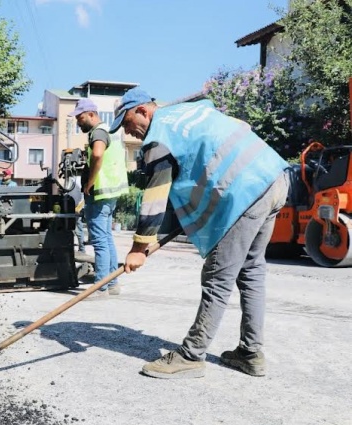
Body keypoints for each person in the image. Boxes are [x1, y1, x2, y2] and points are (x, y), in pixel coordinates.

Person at [113, 87, 289, 379]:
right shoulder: (192, 109)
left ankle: (192, 355)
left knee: (217, 277)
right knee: (251, 270)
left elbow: (156, 194)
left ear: (143, 110)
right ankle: (250, 352)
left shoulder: (158, 138)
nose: (129, 133)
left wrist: (139, 247)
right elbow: (236, 130)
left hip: (244, 191)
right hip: (273, 177)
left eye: (129, 123)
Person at [68, 98, 129, 298]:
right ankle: (112, 284)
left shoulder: (99, 132)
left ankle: (100, 287)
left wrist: (89, 182)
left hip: (101, 192)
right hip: (111, 192)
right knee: (107, 239)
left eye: (80, 117)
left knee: (100, 241)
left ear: (92, 114)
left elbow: (97, 155)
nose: (78, 122)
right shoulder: (110, 130)